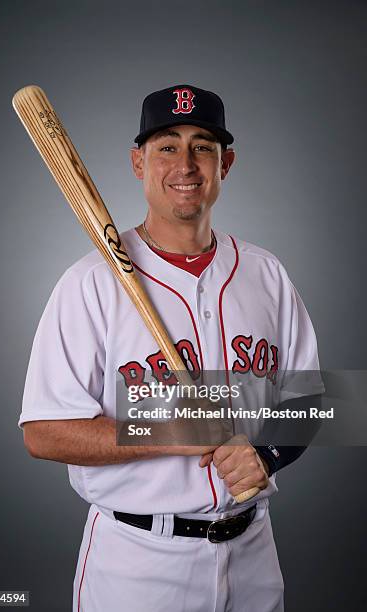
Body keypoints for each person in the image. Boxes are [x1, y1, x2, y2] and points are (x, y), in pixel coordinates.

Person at [19, 84, 324, 612]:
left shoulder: (267, 273)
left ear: (225, 162)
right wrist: (167, 429)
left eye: (202, 145)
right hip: (139, 564)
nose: (185, 163)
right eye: (166, 146)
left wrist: (268, 455)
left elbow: (315, 402)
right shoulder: (89, 283)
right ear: (139, 162)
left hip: (255, 554)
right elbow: (42, 433)